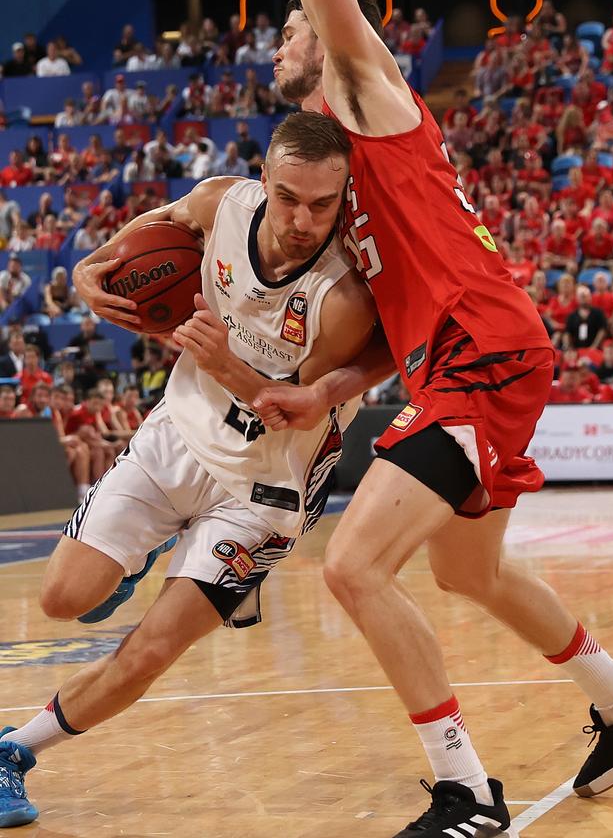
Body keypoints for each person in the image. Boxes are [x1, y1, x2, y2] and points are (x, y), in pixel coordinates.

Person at [184, 0, 613, 836]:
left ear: (336, 30)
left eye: (293, 24)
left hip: (481, 349)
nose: (279, 40)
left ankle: (465, 792)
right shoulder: (328, 165)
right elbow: (392, 310)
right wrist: (328, 391)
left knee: (353, 567)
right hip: (459, 353)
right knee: (466, 571)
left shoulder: (364, 93)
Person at [0, 111, 376, 828]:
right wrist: (88, 271)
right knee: (61, 599)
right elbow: (131, 241)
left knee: (149, 654)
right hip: (179, 436)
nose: (303, 218)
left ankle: (13, 750)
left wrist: (224, 363)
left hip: (266, 487)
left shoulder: (344, 297)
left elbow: (293, 409)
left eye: (323, 204)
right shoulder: (216, 204)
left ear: (343, 194)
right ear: (263, 179)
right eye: (289, 196)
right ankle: (138, 556)